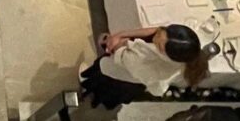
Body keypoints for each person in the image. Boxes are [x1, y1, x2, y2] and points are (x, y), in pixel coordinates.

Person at [80, 24, 208, 109]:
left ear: (169, 55)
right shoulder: (181, 46)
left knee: (105, 81)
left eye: (159, 45)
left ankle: (85, 81)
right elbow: (156, 30)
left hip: (129, 75)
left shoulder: (147, 65)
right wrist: (121, 35)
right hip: (138, 73)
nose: (155, 39)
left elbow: (119, 54)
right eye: (159, 35)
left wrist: (115, 42)